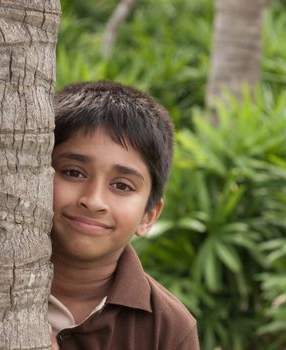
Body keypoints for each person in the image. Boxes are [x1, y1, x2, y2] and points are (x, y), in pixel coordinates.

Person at [49, 81, 199, 350]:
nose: (93, 201)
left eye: (121, 186)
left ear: (149, 216)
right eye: (73, 172)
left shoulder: (169, 329)